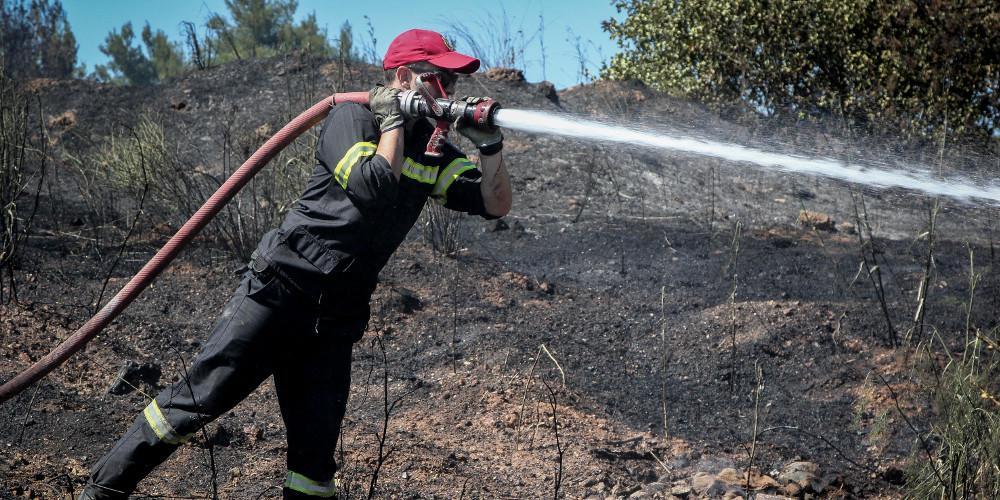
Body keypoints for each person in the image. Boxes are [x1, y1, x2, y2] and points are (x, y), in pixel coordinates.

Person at [80, 28, 511, 499]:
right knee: (195, 401)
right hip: (282, 289)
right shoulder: (352, 118)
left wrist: (489, 147)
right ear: (405, 78)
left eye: (455, 83)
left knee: (314, 460)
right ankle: (102, 491)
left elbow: (494, 204)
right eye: (441, 80)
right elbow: (373, 186)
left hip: (337, 314)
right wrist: (391, 121)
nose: (451, 93)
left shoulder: (433, 148)